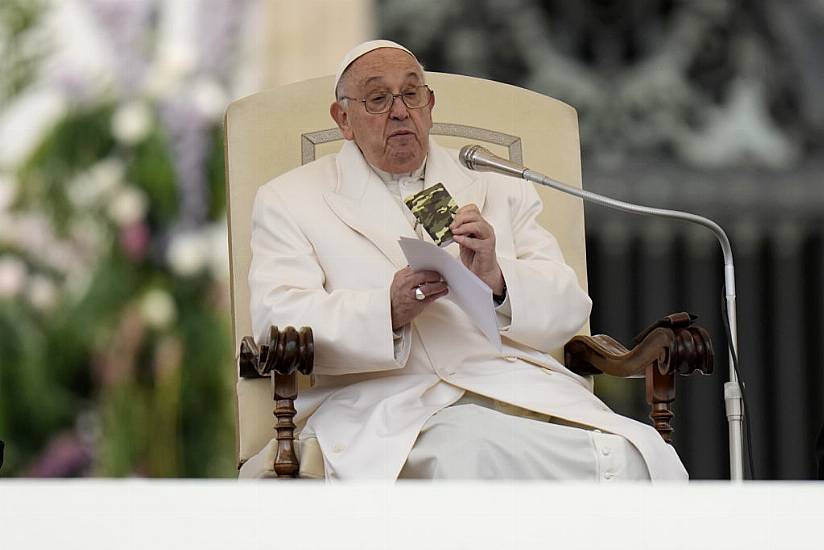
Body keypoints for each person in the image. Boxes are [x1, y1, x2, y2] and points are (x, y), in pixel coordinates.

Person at [242, 40, 687, 481]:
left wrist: (498, 279)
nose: (400, 111)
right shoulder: (290, 199)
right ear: (343, 119)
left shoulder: (496, 184)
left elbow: (569, 307)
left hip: (519, 391)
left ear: (430, 105)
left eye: (411, 94)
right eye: (378, 99)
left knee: (636, 457)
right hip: (391, 407)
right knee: (471, 449)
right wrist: (386, 310)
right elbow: (277, 320)